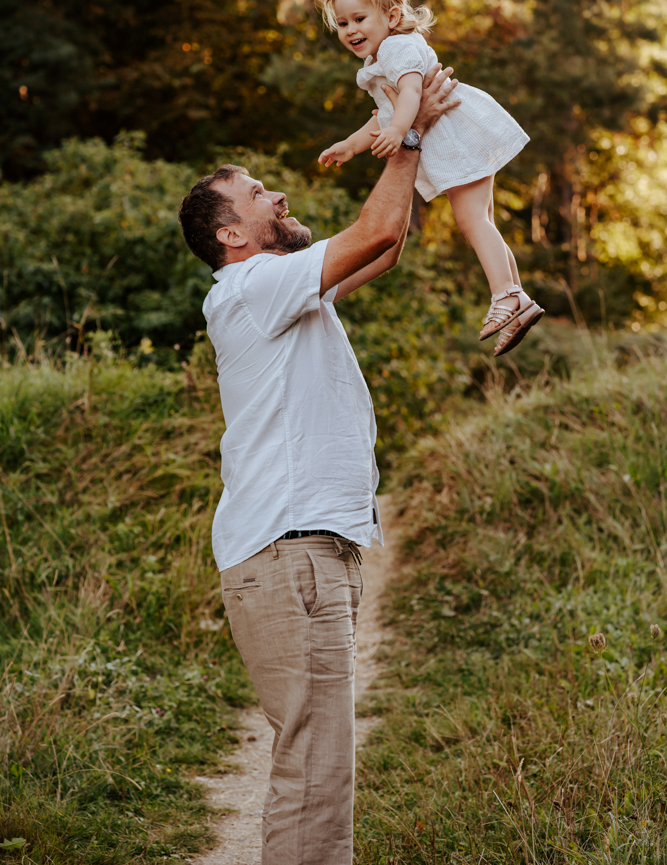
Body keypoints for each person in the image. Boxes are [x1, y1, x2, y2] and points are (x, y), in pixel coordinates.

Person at [177, 64, 459, 865]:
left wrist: (418, 127)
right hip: (287, 553)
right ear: (231, 235)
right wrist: (403, 130)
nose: (278, 196)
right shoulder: (251, 287)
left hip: (303, 552)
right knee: (314, 765)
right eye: (257, 194)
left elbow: (385, 245)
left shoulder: (279, 290)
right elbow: (369, 233)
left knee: (321, 762)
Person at [318, 0, 544, 357]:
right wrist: (352, 145)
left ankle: (506, 296)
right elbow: (385, 113)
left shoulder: (396, 48)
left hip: (457, 138)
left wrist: (399, 131)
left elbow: (409, 95)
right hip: (459, 138)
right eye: (342, 23)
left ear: (391, 16)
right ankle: (515, 299)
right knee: (481, 221)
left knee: (472, 221)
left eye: (359, 18)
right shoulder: (384, 55)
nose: (350, 29)